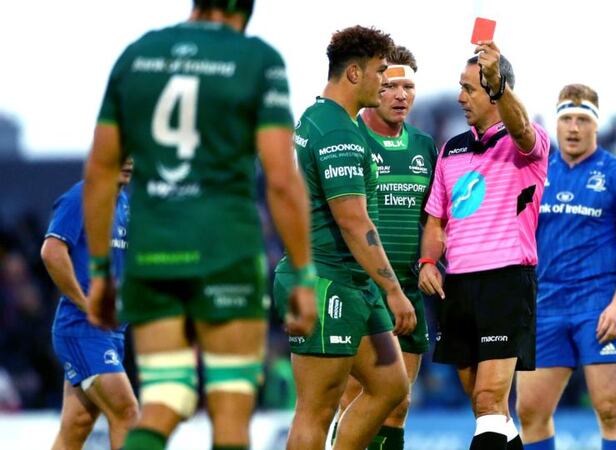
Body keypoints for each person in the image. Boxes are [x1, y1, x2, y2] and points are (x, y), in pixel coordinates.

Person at [81, 1, 317, 449]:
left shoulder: (136, 56)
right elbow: (282, 181)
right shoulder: (257, 59)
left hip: (151, 255)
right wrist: (303, 275)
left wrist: (98, 273)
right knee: (230, 407)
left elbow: (99, 171)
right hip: (226, 252)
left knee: (166, 396)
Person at [272, 26, 417, 450]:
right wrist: (394, 290)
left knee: (391, 385)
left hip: (351, 284)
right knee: (316, 408)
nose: (385, 82)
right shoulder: (337, 133)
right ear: (353, 73)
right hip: (323, 282)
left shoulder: (319, 118)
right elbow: (354, 222)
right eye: (379, 72)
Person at [418, 41, 550, 450]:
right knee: (487, 411)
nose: (460, 97)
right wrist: (427, 260)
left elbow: (523, 129)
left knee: (490, 398)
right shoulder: (451, 149)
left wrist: (499, 87)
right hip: (457, 286)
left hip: (505, 282)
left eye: (471, 88)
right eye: (461, 87)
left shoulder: (526, 144)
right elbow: (437, 217)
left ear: (495, 90)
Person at [515, 84, 616, 450]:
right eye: (567, 119)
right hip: (546, 308)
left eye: (582, 120)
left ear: (595, 126)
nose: (573, 128)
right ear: (556, 125)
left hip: (599, 308)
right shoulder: (536, 174)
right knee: (530, 412)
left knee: (610, 409)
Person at [335, 45, 438, 450]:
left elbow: (434, 218)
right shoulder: (348, 137)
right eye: (391, 85)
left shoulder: (425, 146)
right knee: (355, 402)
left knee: (397, 403)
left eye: (408, 87)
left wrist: (430, 259)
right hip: (360, 289)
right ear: (374, 84)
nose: (400, 95)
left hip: (407, 293)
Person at [42, 158, 137, 450]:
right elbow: (52, 251)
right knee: (127, 413)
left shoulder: (124, 204)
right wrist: (87, 304)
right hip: (83, 328)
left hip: (111, 331)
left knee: (76, 427)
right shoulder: (82, 196)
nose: (129, 160)